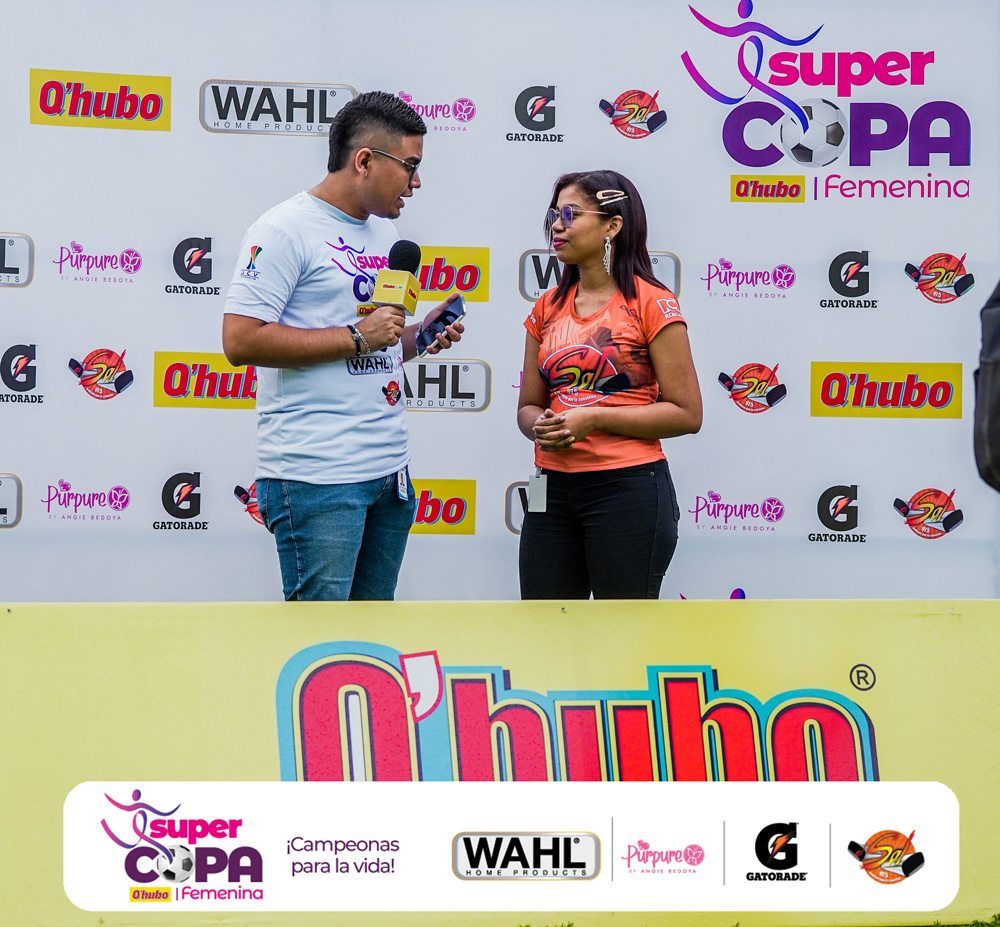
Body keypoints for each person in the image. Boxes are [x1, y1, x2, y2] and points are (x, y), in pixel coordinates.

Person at [222, 90, 464, 601]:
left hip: (390, 474)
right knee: (321, 638)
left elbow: (378, 343)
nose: (417, 182)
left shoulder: (387, 234)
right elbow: (240, 340)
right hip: (318, 478)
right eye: (411, 166)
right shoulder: (283, 229)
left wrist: (420, 335)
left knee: (369, 638)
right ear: (364, 160)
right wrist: (358, 336)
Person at [516, 170, 702, 599]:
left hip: (627, 490)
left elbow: (687, 413)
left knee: (623, 632)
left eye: (570, 214)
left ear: (612, 226)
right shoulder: (546, 307)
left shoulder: (651, 302)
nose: (557, 226)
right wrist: (541, 426)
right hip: (550, 493)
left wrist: (595, 418)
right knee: (546, 628)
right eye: (554, 215)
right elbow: (528, 407)